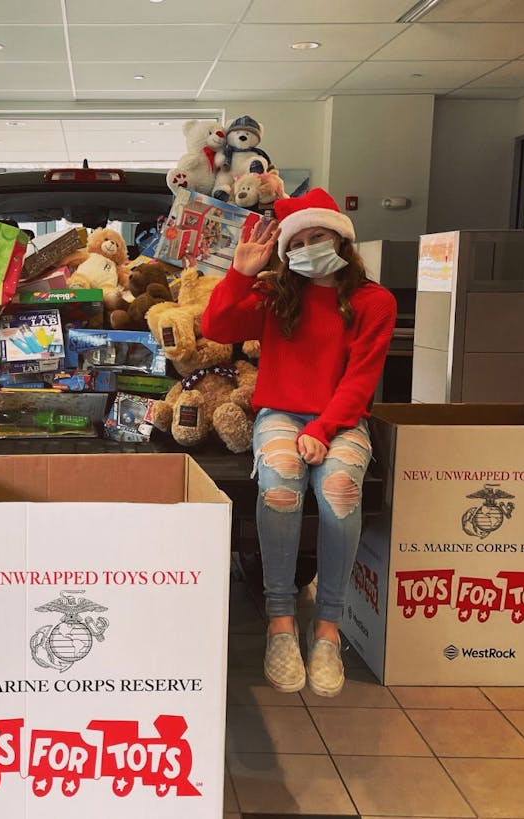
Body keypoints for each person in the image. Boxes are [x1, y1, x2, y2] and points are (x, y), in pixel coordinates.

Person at [201, 188, 396, 697]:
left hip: (342, 418)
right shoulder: (275, 295)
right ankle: (281, 621)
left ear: (341, 238)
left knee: (339, 491)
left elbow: (361, 379)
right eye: (298, 242)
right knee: (282, 486)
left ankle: (327, 626)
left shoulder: (374, 301)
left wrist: (323, 429)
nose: (309, 248)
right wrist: (240, 273)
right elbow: (215, 326)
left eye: (319, 237)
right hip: (280, 412)